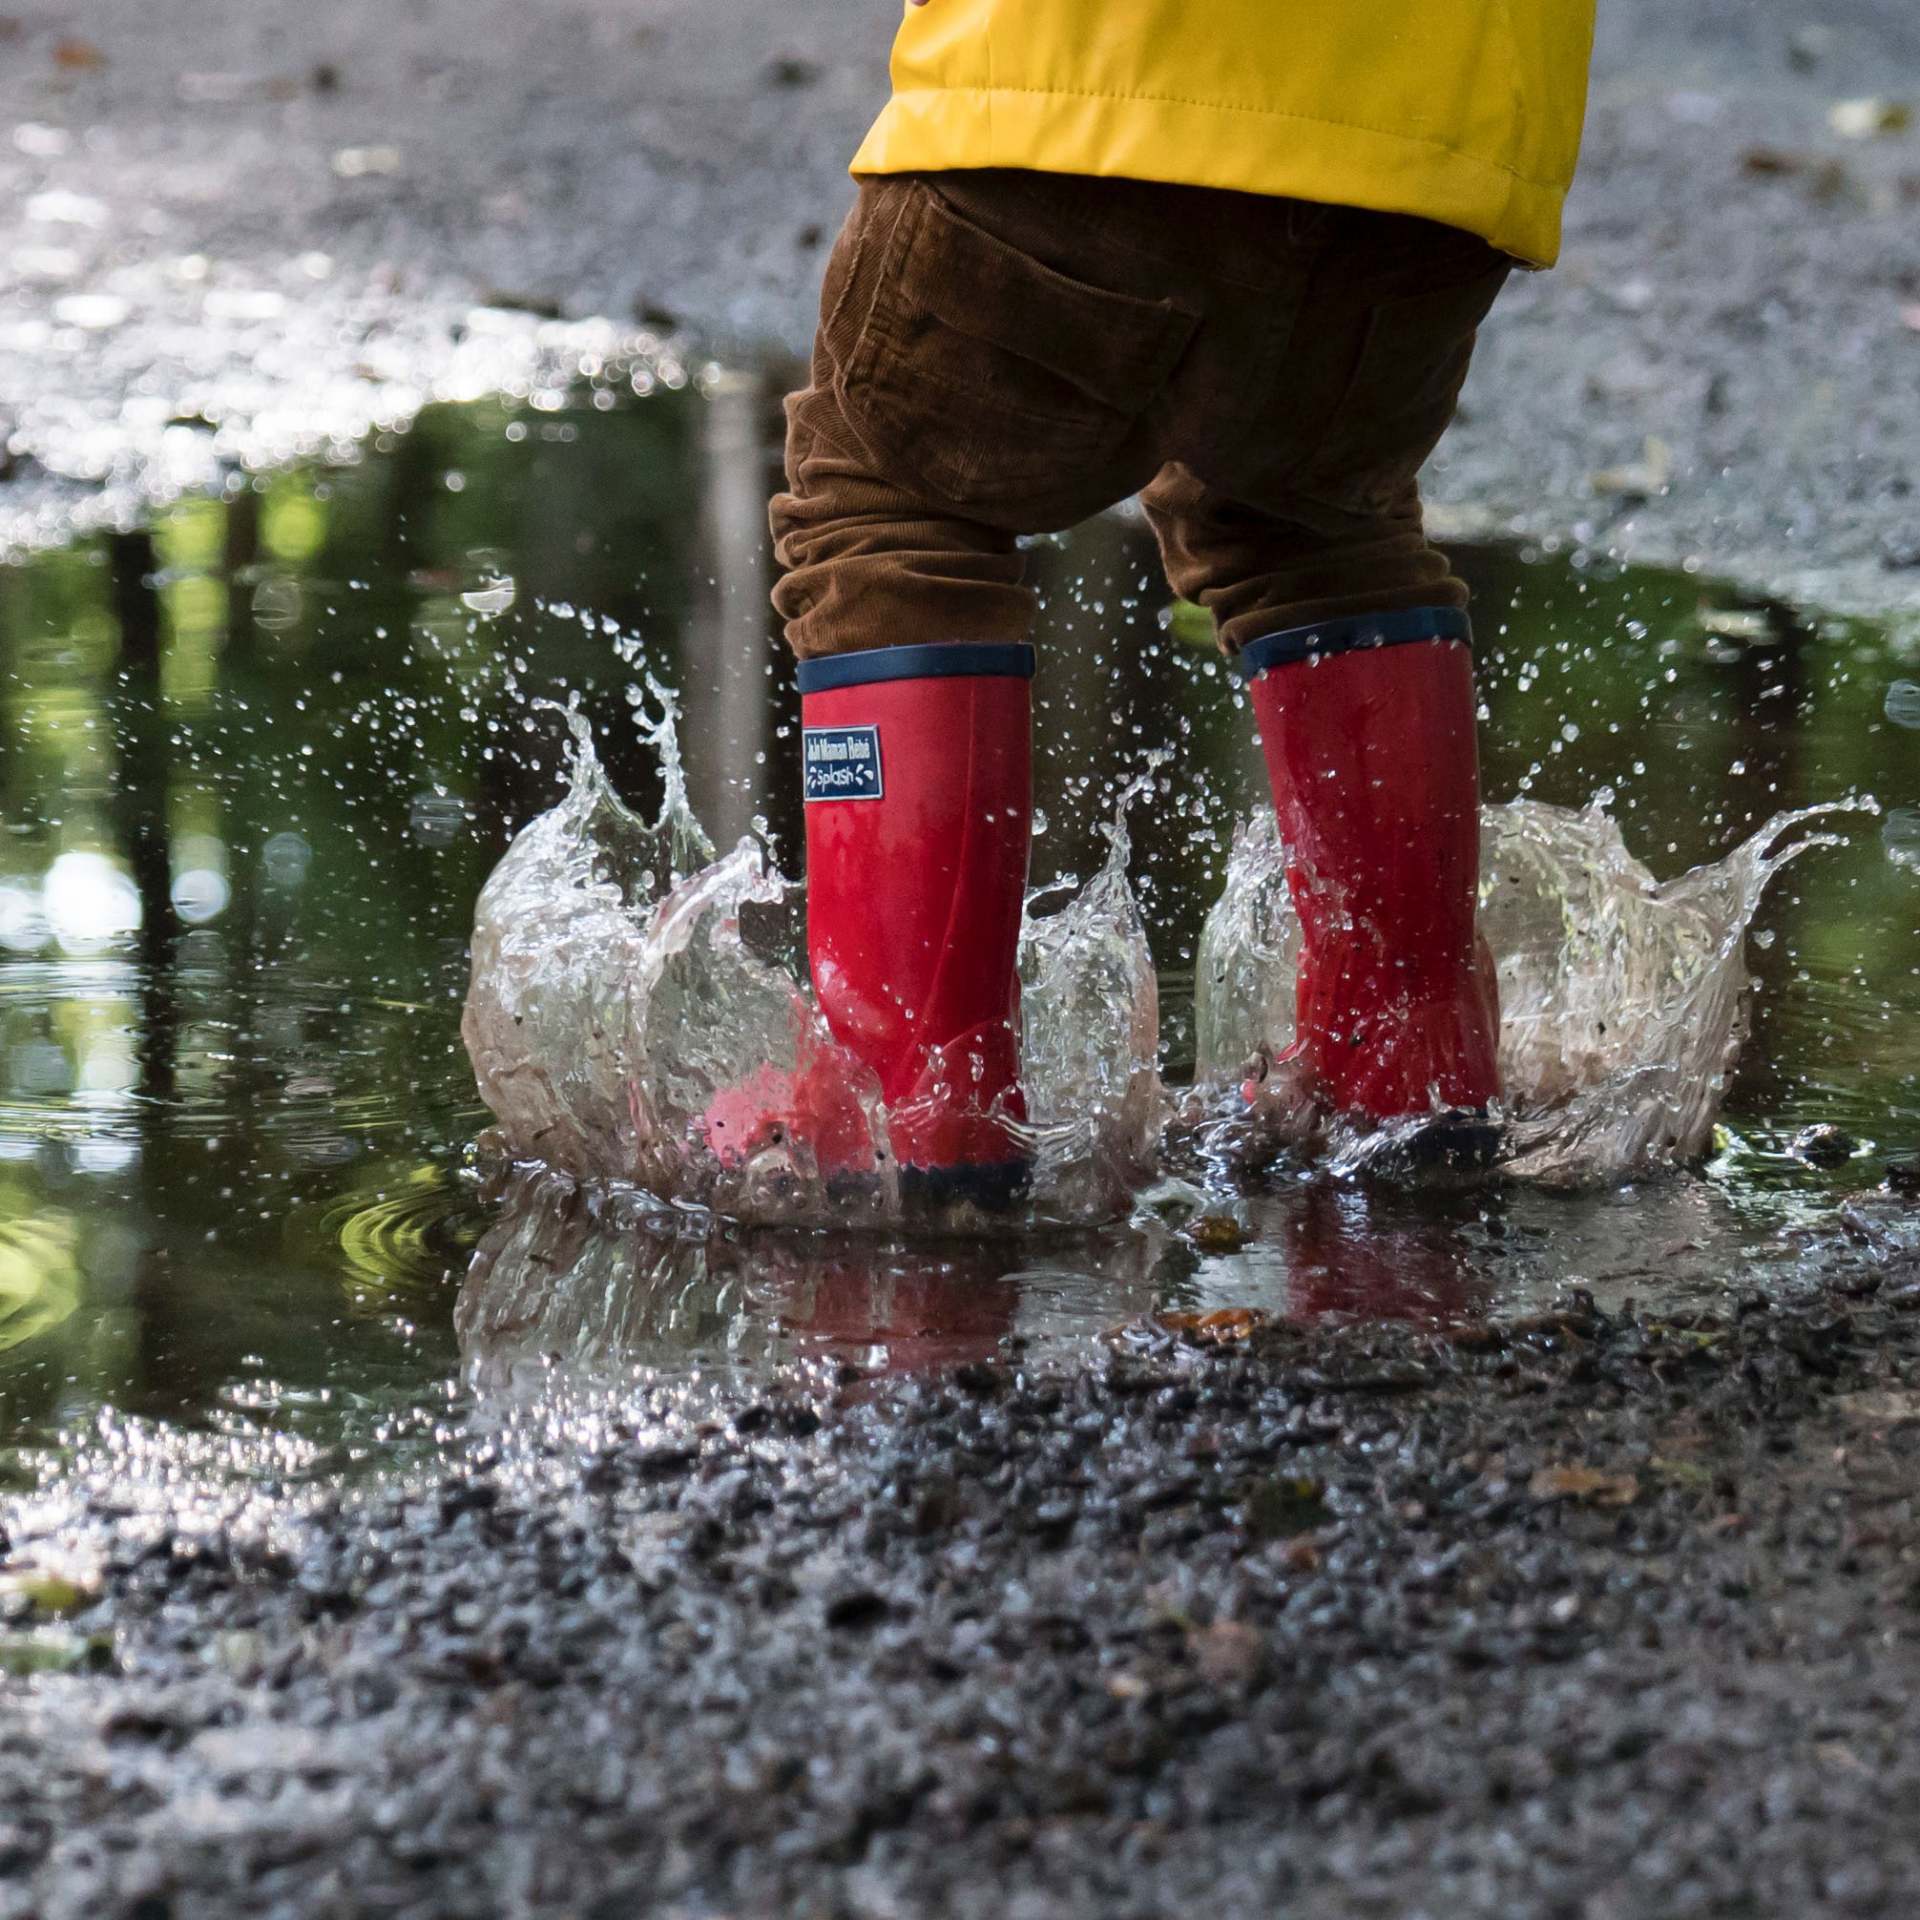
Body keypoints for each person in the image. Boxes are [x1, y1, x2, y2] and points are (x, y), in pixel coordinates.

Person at [707, 1, 1596, 1203]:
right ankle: (1407, 1068)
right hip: (1440, 148)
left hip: (1105, 77)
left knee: (886, 500)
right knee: (1312, 521)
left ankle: (905, 1104)